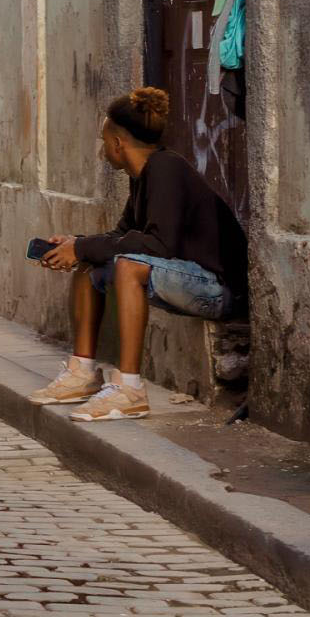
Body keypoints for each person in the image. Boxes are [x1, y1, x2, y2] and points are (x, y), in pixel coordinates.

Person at [30, 84, 249, 420]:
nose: (103, 149)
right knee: (90, 263)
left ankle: (129, 388)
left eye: (104, 141)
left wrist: (85, 246)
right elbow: (124, 235)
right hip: (187, 279)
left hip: (218, 289)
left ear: (118, 143)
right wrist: (77, 244)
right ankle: (82, 373)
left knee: (128, 267)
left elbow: (159, 245)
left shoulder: (166, 169)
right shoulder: (144, 175)